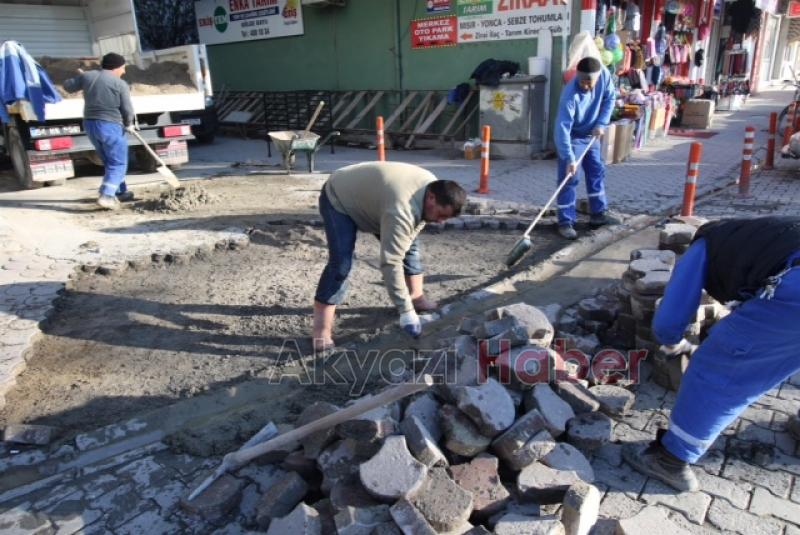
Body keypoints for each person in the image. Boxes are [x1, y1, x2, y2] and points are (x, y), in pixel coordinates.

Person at [624, 216, 800, 492]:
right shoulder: (763, 235)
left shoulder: (704, 247)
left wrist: (673, 343)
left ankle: (670, 459)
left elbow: (667, 322)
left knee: (718, 370)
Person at [312, 161, 467, 351]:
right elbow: (390, 262)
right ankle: (321, 329)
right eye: (441, 215)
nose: (441, 222)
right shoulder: (401, 210)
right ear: (431, 198)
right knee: (341, 264)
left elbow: (410, 233)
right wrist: (406, 312)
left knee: (409, 247)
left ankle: (416, 297)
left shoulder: (434, 187)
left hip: (377, 200)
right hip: (340, 197)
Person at [554, 56, 618, 240]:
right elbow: (562, 129)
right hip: (573, 137)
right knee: (569, 178)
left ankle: (598, 214)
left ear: (597, 78)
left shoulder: (603, 75)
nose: (586, 86)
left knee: (596, 171)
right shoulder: (569, 95)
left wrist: (601, 123)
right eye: (582, 82)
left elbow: (610, 98)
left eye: (589, 83)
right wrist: (569, 157)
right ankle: (565, 222)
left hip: (592, 135)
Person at [64, 52, 135, 210]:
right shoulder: (120, 84)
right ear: (116, 67)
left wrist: (81, 78)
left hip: (90, 125)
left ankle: (120, 192)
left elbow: (68, 87)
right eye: (123, 67)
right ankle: (107, 195)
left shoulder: (88, 76)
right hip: (110, 125)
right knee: (118, 163)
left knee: (109, 161)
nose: (124, 71)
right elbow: (127, 109)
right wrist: (129, 123)